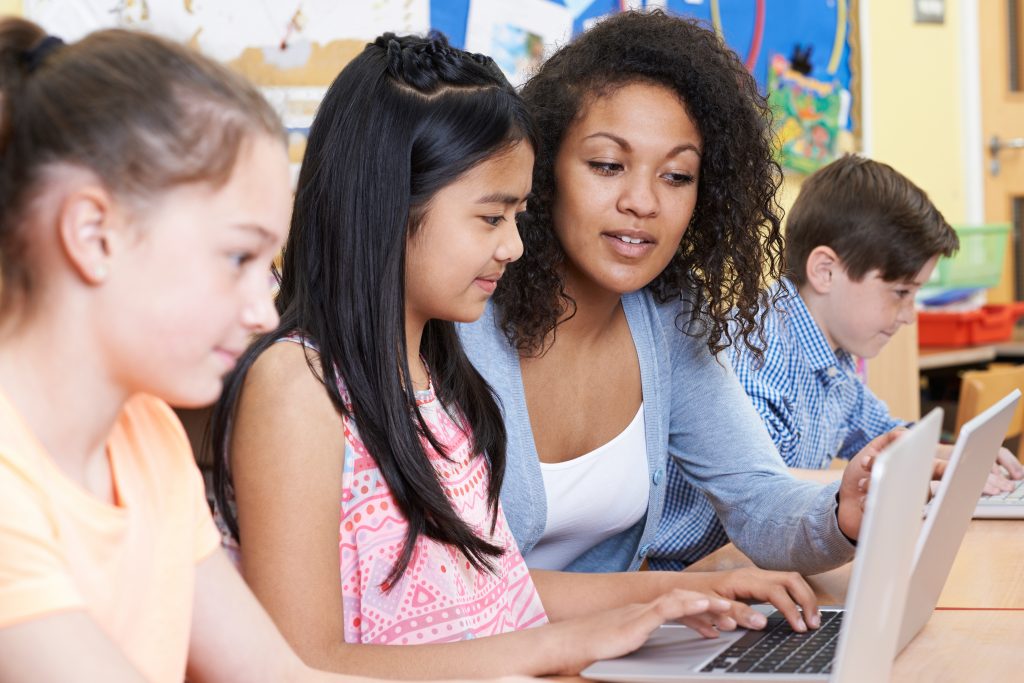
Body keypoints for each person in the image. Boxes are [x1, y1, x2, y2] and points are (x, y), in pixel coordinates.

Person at [208, 32, 817, 681]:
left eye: (518, 217)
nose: (515, 248)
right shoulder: (297, 388)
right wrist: (570, 643)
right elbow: (301, 662)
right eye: (491, 218)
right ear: (391, 204)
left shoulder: (440, 375)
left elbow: (500, 590)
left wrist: (662, 599)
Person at [0, 19, 530, 683]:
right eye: (237, 256)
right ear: (94, 233)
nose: (260, 309)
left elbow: (279, 674)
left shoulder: (147, 438)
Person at [457, 8, 895, 577]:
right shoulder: (462, 315)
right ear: (542, 171)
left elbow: (759, 499)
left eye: (677, 176)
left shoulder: (667, 321)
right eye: (608, 164)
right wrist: (659, 597)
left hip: (601, 654)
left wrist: (843, 510)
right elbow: (454, 586)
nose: (643, 201)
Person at [728, 154, 1024, 491]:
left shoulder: (830, 359)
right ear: (825, 271)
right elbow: (758, 488)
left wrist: (957, 457)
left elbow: (885, 436)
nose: (910, 315)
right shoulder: (757, 352)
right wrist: (908, 478)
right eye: (900, 292)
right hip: (717, 546)